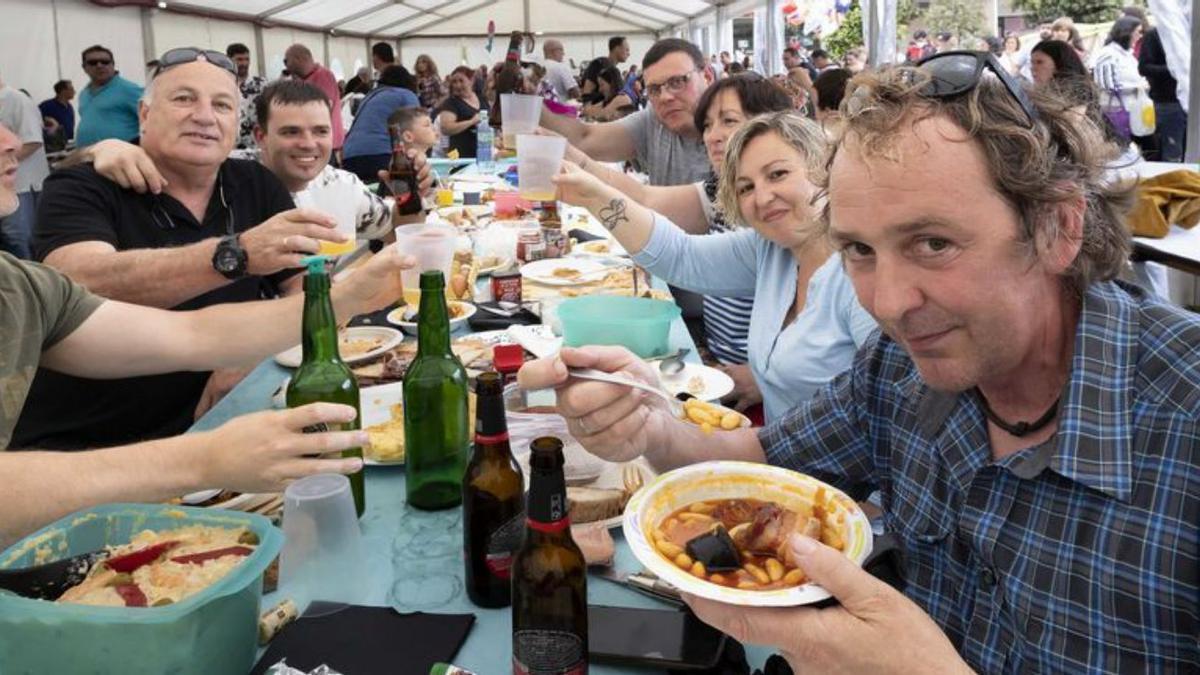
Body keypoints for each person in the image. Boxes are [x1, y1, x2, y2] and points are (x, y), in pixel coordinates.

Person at [521, 56, 1200, 671]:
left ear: (1058, 227)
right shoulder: (898, 367)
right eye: (860, 252)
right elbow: (759, 453)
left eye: (933, 242)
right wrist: (648, 420)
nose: (890, 303)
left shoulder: (1184, 425)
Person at [0, 123, 419, 545]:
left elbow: (193, 336)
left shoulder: (16, 283)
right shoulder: (83, 189)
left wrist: (344, 300)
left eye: (222, 105)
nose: (12, 142)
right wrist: (204, 458)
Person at [10, 48, 349, 451]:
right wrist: (234, 254)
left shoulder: (255, 183)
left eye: (221, 105)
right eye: (184, 98)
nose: (204, 116)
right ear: (145, 115)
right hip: (91, 447)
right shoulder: (83, 186)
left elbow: (306, 287)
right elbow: (79, 281)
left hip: (227, 426)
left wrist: (247, 356)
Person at [556, 110, 875, 422]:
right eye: (746, 187)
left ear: (824, 168)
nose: (762, 197)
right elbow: (679, 256)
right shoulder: (771, 248)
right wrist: (592, 195)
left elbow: (883, 419)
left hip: (817, 470)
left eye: (777, 174)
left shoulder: (863, 276)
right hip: (771, 456)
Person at [562, 75, 799, 415]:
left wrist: (763, 379)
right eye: (707, 125)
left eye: (728, 121)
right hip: (717, 365)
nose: (713, 136)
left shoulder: (820, 246)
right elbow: (671, 241)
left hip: (750, 393)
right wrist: (582, 173)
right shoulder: (730, 203)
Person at [87, 80, 433, 248]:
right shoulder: (220, 175)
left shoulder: (341, 184)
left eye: (320, 131)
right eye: (291, 132)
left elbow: (395, 230)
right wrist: (103, 149)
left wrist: (410, 195)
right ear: (260, 136)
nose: (309, 144)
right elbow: (165, 159)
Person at [541, 38, 712, 187]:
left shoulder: (733, 136)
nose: (665, 97)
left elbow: (650, 200)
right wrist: (528, 106)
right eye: (653, 89)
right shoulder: (655, 120)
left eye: (677, 82)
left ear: (707, 77)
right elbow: (584, 138)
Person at [341, 65, 419, 183]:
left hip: (349, 155)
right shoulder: (406, 94)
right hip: (381, 154)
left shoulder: (369, 96)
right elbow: (417, 123)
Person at [0, 75, 49, 261]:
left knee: (18, 237)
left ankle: (32, 284)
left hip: (23, 186)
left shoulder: (17, 100)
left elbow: (32, 141)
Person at [1093, 16, 1149, 146]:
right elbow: (1105, 87)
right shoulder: (1108, 54)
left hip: (1133, 113)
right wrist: (1138, 87)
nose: (1140, 36)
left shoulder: (1127, 55)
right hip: (1116, 115)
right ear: (1127, 32)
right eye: (1138, 32)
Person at [75, 45, 143, 147]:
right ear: (84, 67)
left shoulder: (129, 89)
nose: (99, 65)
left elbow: (155, 119)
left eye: (105, 62)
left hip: (121, 157)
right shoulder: (83, 94)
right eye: (93, 63)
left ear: (113, 65)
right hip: (88, 157)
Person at [284, 44, 345, 155]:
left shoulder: (323, 75)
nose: (286, 66)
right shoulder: (303, 80)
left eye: (286, 61)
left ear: (298, 59)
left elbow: (323, 108)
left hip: (323, 142)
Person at [1138, 27, 1185, 162]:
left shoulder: (1188, 32)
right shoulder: (1156, 34)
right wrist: (1176, 70)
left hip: (1190, 104)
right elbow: (1144, 67)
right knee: (1172, 155)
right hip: (1168, 102)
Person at [225, 43, 266, 152]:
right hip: (229, 148)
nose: (244, 63)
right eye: (239, 59)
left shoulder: (261, 85)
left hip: (255, 147)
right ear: (229, 60)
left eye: (246, 59)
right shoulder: (222, 85)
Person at [438, 66, 483, 159]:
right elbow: (446, 128)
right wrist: (471, 122)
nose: (457, 85)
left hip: (483, 152)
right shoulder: (451, 103)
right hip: (459, 155)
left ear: (471, 81)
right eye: (454, 82)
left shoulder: (481, 98)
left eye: (461, 81)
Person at [39, 79, 76, 146]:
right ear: (63, 91)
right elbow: (35, 120)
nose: (74, 92)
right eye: (71, 89)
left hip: (68, 143)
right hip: (53, 146)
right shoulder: (46, 105)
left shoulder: (69, 107)